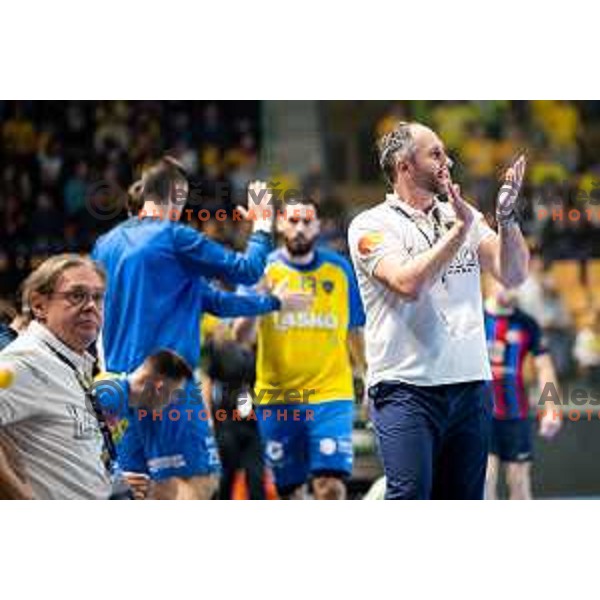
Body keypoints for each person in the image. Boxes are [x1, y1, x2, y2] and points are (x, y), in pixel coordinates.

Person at [91, 157, 296, 499]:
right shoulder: (175, 238)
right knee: (198, 482)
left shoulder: (104, 244)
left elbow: (213, 301)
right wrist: (261, 225)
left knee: (137, 488)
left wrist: (272, 303)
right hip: (168, 385)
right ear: (178, 194)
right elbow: (246, 270)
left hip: (122, 388)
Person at [348, 121, 530, 500]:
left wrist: (508, 218)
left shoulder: (463, 215)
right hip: (405, 390)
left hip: (470, 386)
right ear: (404, 165)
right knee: (411, 496)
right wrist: (458, 232)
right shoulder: (369, 225)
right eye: (435, 153)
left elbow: (512, 273)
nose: (447, 161)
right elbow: (407, 283)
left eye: (445, 152)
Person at [235, 197, 366, 500]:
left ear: (318, 226)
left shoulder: (339, 270)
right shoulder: (260, 269)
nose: (300, 228)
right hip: (277, 396)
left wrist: (368, 378)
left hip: (330, 395)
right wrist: (260, 297)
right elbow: (240, 337)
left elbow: (355, 331)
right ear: (280, 224)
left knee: (330, 486)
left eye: (307, 222)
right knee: (290, 492)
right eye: (293, 221)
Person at [0, 254, 111, 499]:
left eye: (98, 297)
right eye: (77, 295)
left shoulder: (71, 362)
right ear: (39, 306)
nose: (91, 305)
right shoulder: (24, 362)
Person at [483, 279, 562, 500]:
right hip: (480, 414)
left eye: (516, 282)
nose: (511, 287)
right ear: (490, 280)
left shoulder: (527, 323)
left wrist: (551, 407)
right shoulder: (475, 320)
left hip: (515, 414)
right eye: (505, 281)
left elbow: (544, 367)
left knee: (520, 482)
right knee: (485, 479)